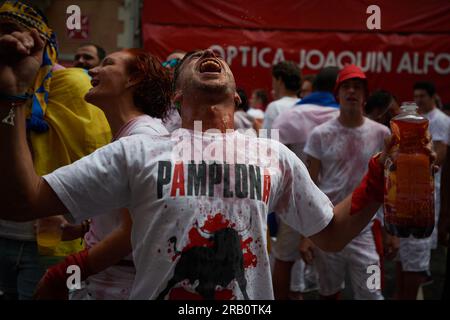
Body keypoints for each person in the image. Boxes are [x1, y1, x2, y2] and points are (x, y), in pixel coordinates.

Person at [0, 40, 414, 299]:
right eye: (196, 57)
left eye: (217, 57)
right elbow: (23, 201)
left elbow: (333, 234)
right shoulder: (138, 151)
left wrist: (382, 172)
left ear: (235, 95)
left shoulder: (273, 155)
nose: (209, 55)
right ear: (178, 94)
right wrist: (13, 93)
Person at [35, 48, 172, 300]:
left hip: (121, 287)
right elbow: (136, 210)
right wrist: (85, 227)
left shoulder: (144, 139)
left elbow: (131, 234)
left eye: (107, 63)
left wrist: (60, 275)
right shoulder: (131, 134)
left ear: (134, 79)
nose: (92, 70)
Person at [0, 0, 111, 300]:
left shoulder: (76, 87)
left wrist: (87, 222)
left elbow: (101, 165)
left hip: (52, 246)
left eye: (19, 34)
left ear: (43, 43)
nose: (10, 44)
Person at [297, 65, 391, 300]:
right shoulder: (320, 134)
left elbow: (391, 184)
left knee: (372, 293)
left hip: (367, 228)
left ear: (365, 95)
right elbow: (311, 185)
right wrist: (307, 235)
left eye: (357, 87)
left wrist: (392, 231)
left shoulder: (382, 135)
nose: (351, 92)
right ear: (337, 93)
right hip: (329, 224)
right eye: (346, 87)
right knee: (329, 292)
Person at [393, 81, 450, 299]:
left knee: (418, 248)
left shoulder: (442, 121)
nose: (418, 99)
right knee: (401, 252)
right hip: (405, 191)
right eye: (415, 95)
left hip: (427, 191)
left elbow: (440, 155)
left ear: (433, 97)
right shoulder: (410, 121)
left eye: (422, 96)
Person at [263, 61, 300, 130]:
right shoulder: (305, 105)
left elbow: (267, 139)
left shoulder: (274, 107)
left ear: (279, 80)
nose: (272, 85)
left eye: (273, 80)